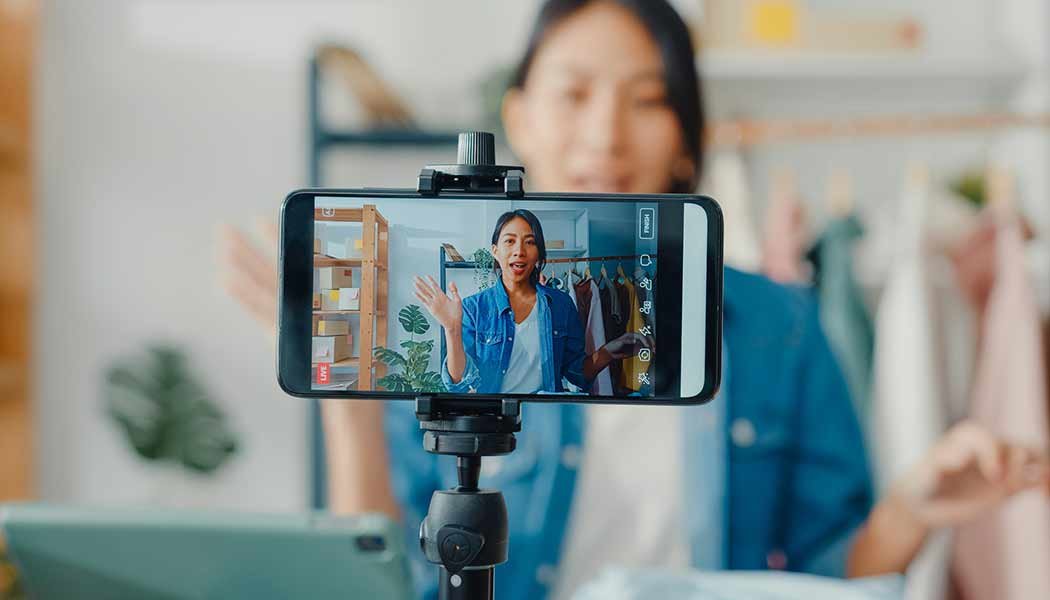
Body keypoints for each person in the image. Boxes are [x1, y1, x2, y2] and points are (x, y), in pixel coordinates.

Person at [220, 1, 1050, 599]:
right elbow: (388, 581)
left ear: (688, 134)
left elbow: (822, 581)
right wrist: (349, 406)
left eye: (648, 99)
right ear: (520, 117)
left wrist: (914, 509)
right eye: (575, 94)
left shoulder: (778, 329)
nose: (607, 134)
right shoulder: (467, 325)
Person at [413, 209, 647, 395]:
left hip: (546, 420)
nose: (519, 251)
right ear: (495, 251)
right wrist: (452, 329)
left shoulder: (562, 304)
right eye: (510, 241)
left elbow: (577, 374)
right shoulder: (473, 309)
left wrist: (608, 352)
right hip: (493, 419)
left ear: (539, 253)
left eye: (529, 242)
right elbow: (459, 383)